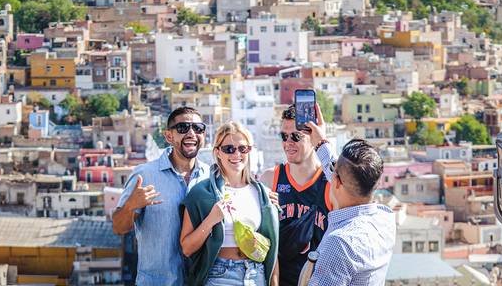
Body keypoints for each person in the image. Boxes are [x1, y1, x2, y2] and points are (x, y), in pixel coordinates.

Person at [112, 106, 211, 285]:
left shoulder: (211, 177)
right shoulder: (145, 175)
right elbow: (119, 227)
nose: (191, 133)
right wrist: (130, 206)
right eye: (183, 128)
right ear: (168, 136)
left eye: (198, 128)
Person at [180, 122, 279, 286]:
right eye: (229, 149)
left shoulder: (264, 195)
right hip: (220, 274)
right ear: (218, 152)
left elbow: (273, 248)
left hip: (257, 274)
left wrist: (274, 281)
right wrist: (211, 219)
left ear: (249, 150)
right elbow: (186, 248)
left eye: (242, 148)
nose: (236, 154)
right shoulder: (201, 194)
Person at [304, 118, 396, 286]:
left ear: (337, 182)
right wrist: (320, 143)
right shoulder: (385, 219)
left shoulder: (340, 243)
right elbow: (343, 172)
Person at [259, 104, 336, 285]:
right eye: (284, 136)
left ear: (312, 137)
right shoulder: (271, 179)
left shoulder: (330, 184)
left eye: (296, 136)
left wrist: (322, 141)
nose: (288, 143)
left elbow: (350, 185)